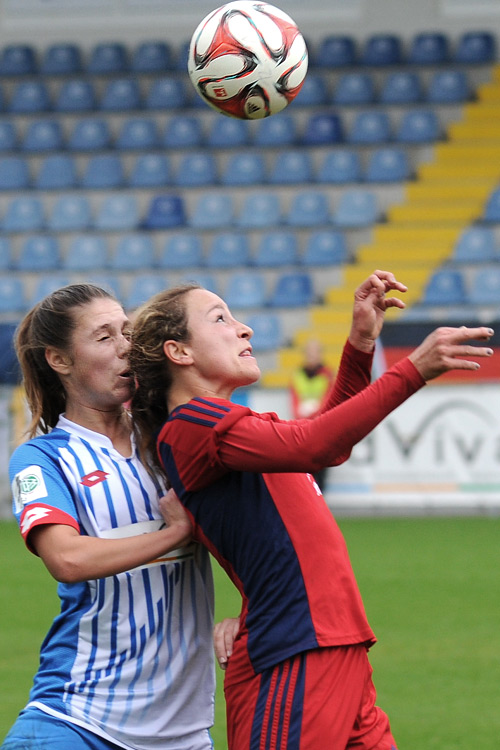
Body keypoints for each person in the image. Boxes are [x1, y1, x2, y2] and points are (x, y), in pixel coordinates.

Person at [128, 270, 494, 750]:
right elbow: (316, 443)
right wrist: (412, 370)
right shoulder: (191, 425)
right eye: (221, 319)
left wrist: (361, 345)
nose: (245, 329)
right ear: (179, 352)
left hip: (333, 645)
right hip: (293, 654)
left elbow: (325, 441)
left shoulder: (236, 425)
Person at [2, 283, 217, 750]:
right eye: (103, 337)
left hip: (183, 733)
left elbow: (264, 524)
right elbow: (68, 559)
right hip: (78, 718)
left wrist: (251, 610)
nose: (126, 347)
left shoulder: (173, 436)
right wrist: (175, 532)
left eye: (127, 330)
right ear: (59, 360)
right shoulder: (41, 460)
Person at [289, 338, 336, 491]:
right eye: (309, 352)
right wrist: (301, 413)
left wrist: (312, 411)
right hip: (302, 428)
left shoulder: (328, 374)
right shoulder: (297, 374)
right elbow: (294, 399)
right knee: (304, 472)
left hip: (322, 427)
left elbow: (329, 399)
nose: (312, 356)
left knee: (321, 473)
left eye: (314, 352)